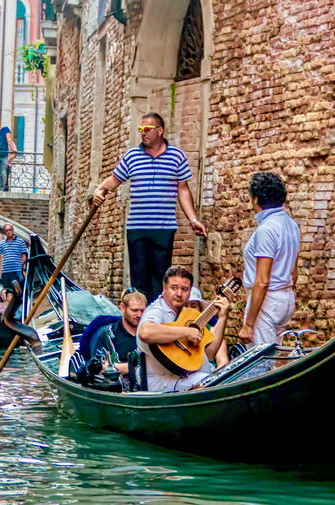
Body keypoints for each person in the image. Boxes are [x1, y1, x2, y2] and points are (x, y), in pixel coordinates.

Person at [93, 112, 206, 304]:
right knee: (139, 280)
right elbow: (114, 180)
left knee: (160, 278)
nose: (143, 133)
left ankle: (156, 318)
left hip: (164, 227)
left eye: (147, 129)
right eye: (141, 130)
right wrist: (99, 190)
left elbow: (183, 190)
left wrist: (193, 220)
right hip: (137, 227)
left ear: (160, 131)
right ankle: (139, 319)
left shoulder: (176, 156)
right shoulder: (132, 156)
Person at [137, 266, 229, 392]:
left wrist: (222, 318)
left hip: (188, 376)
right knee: (210, 383)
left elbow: (209, 353)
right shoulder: (158, 310)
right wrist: (187, 332)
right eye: (174, 288)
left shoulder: (187, 315)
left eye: (184, 289)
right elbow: (145, 332)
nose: (179, 294)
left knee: (222, 380)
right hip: (161, 381)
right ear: (164, 288)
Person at [237, 172, 301, 349]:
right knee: (275, 357)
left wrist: (249, 324)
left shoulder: (267, 229)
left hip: (267, 301)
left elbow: (263, 280)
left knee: (261, 362)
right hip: (285, 298)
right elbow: (293, 273)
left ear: (255, 199)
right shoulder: (291, 224)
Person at [88, 288, 147, 375]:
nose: (139, 315)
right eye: (134, 310)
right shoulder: (107, 335)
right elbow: (98, 367)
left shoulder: (149, 334)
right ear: (122, 308)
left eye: (142, 310)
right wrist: (135, 368)